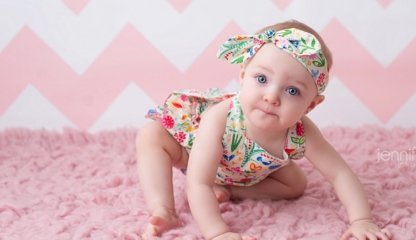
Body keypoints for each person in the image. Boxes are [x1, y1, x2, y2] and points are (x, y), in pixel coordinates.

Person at [136, 20, 392, 240]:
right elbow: (198, 181)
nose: (271, 97)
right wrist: (218, 233)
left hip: (248, 175)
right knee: (151, 135)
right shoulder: (221, 117)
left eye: (292, 91)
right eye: (262, 79)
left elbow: (340, 174)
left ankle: (232, 190)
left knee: (296, 184)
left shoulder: (302, 132)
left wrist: (361, 220)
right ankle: (164, 210)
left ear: (311, 105)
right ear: (243, 74)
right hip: (194, 159)